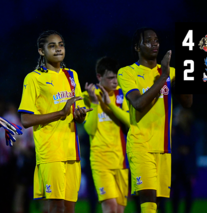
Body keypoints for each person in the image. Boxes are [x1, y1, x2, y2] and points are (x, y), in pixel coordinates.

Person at [118, 28, 193, 213]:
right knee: (148, 202)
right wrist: (164, 78)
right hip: (140, 145)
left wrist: (187, 72)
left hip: (164, 147)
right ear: (137, 47)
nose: (155, 44)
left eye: (157, 40)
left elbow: (188, 102)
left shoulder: (170, 72)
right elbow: (138, 103)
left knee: (157, 203)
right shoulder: (127, 73)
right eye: (148, 40)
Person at [18, 30, 91, 213]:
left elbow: (76, 113)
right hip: (50, 152)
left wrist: (81, 115)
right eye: (52, 46)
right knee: (56, 207)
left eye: (61, 45)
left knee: (69, 208)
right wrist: (60, 113)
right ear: (41, 51)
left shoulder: (72, 75)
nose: (58, 49)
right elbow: (26, 120)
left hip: (72, 152)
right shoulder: (34, 78)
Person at [83, 57, 130, 213]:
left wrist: (110, 105)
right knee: (110, 208)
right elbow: (89, 129)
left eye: (116, 77)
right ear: (99, 77)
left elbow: (129, 122)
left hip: (121, 161)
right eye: (110, 78)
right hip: (100, 161)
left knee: (119, 210)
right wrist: (95, 103)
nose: (115, 81)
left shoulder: (121, 95)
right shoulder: (88, 96)